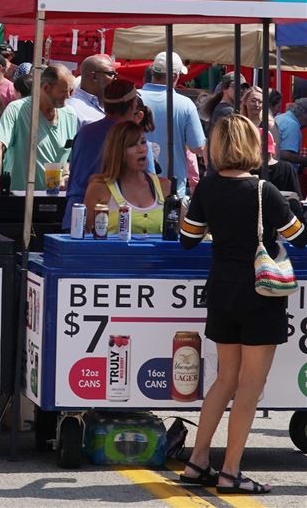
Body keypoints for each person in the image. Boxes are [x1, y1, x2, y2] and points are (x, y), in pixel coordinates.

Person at [178, 115, 304, 495]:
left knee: (224, 380)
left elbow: (187, 238)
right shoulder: (265, 190)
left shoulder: (208, 187)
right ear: (252, 145)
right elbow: (298, 235)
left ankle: (198, 461)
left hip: (221, 290)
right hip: (260, 295)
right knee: (250, 385)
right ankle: (231, 471)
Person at [61, 79, 148, 228]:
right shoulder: (131, 136)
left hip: (74, 213)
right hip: (108, 218)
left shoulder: (85, 132)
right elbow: (145, 181)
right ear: (133, 105)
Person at [0, 64, 78, 193]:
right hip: (19, 196)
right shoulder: (17, 109)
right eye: (64, 91)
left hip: (54, 198)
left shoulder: (70, 115)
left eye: (71, 91)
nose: (69, 96)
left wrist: (66, 174)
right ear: (46, 88)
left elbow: (69, 155)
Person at [83, 121, 171, 234]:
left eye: (143, 142)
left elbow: (183, 231)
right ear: (118, 151)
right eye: (132, 145)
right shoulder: (99, 188)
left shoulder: (165, 186)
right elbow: (85, 235)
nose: (141, 149)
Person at [139, 51, 206, 195]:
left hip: (133, 187)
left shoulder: (134, 98)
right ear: (175, 76)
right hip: (172, 189)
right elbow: (198, 147)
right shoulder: (185, 104)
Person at [66, 54, 118, 126]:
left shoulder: (110, 105)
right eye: (111, 74)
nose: (115, 79)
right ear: (94, 77)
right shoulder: (72, 108)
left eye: (116, 75)